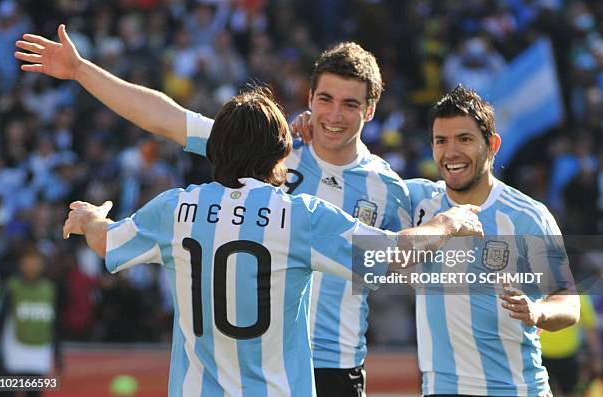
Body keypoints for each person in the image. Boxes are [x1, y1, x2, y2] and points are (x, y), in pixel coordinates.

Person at [15, 25, 412, 396]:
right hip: (259, 365)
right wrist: (82, 71)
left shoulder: (389, 187)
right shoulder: (267, 148)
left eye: (349, 104)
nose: (334, 115)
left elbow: (411, 260)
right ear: (309, 97)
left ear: (370, 109)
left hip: (333, 365)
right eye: (325, 99)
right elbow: (165, 117)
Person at [62, 87, 483, 397]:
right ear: (281, 155)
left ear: (215, 151)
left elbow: (105, 243)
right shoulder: (299, 216)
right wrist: (450, 221)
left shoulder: (176, 209)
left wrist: (90, 218)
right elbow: (391, 256)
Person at [403, 86, 579, 396]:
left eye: (465, 139)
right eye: (441, 141)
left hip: (517, 389)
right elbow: (362, 178)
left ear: (492, 145)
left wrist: (538, 313)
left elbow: (568, 300)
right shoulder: (417, 202)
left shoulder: (527, 216)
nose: (451, 152)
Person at [0, 247, 62, 397]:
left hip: (39, 356)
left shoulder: (50, 289)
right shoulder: (11, 286)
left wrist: (57, 355)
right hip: (13, 355)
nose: (32, 265)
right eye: (28, 260)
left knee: (34, 393)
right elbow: (0, 321)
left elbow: (54, 324)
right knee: (4, 392)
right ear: (21, 263)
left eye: (36, 261)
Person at [540, 295, 601, 397]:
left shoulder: (578, 297)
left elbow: (590, 328)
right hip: (543, 355)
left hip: (569, 354)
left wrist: (596, 357)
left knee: (571, 392)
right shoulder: (538, 296)